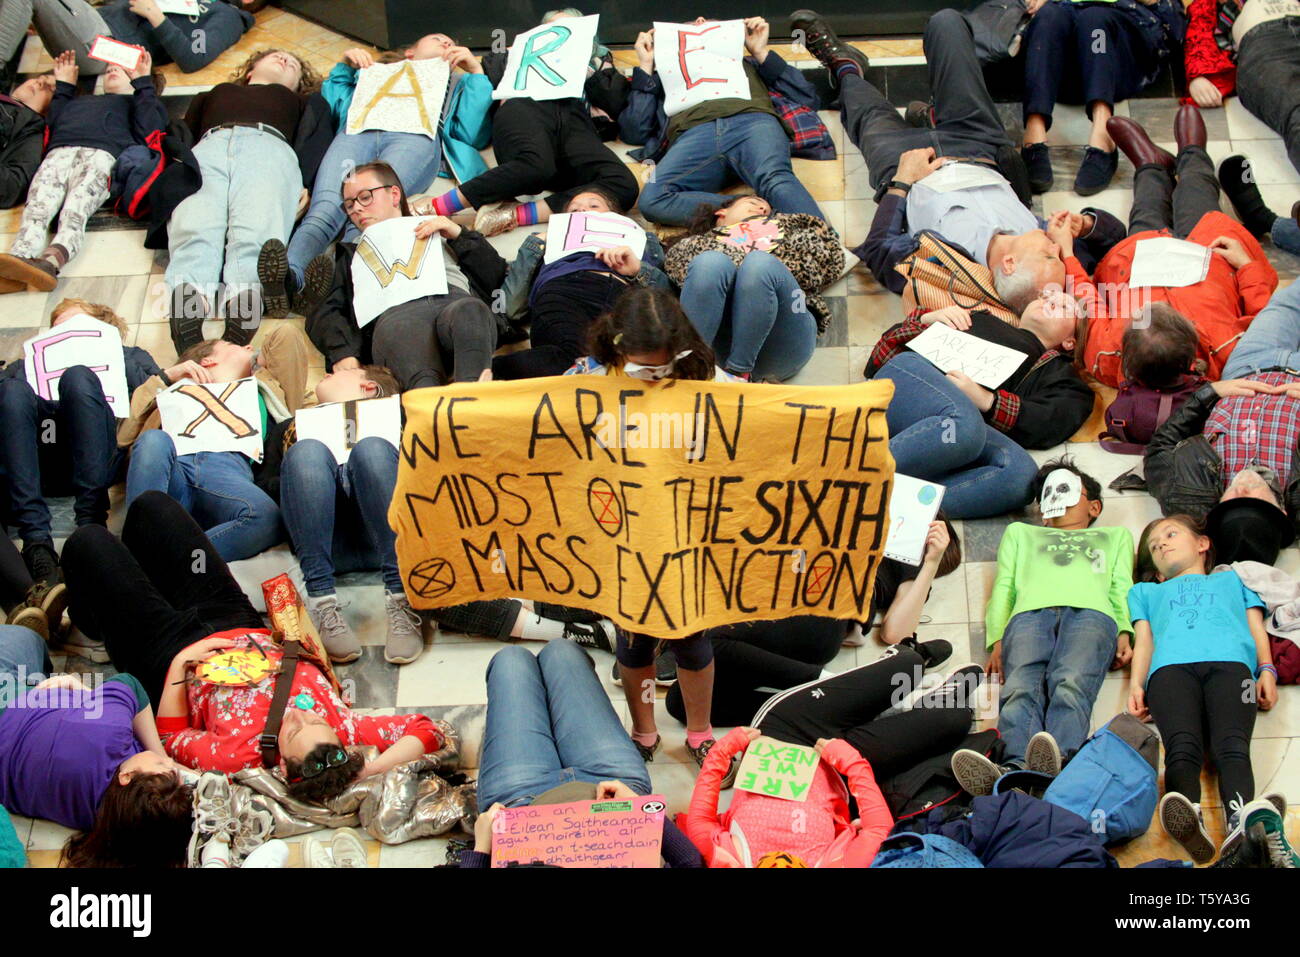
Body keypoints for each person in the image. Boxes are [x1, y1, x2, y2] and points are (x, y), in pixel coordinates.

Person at [61, 492, 446, 796]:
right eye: (315, 721)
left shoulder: (237, 756)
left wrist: (181, 664)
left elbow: (172, 738)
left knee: (88, 542)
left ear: (282, 765)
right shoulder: (345, 729)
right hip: (233, 619)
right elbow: (427, 730)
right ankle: (139, 582)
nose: (299, 717)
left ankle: (93, 624)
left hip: (167, 654)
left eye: (294, 733)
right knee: (151, 508)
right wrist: (367, 770)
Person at [795, 9, 1096, 316]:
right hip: (976, 142)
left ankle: (845, 65)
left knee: (863, 109)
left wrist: (901, 182)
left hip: (907, 166)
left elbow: (878, 251)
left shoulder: (949, 272)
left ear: (1009, 264)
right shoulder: (1044, 239)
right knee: (946, 22)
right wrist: (1085, 224)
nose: (1057, 250)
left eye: (1050, 257)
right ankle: (932, 117)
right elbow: (1112, 234)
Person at [262, 33, 493, 316]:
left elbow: (472, 132)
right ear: (410, 51)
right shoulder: (372, 72)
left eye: (451, 42)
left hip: (414, 137)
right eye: (438, 38)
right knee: (324, 209)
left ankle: (339, 295)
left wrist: (475, 72)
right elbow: (333, 105)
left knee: (366, 212)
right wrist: (346, 66)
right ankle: (289, 282)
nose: (447, 43)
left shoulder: (458, 82)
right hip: (355, 133)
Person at [683, 653, 983, 867]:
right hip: (838, 764)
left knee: (910, 664)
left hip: (784, 730)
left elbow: (699, 821)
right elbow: (877, 828)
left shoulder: (728, 860)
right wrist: (852, 764)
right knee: (953, 719)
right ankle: (903, 707)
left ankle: (887, 691)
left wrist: (722, 752)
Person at [665, 519, 962, 726]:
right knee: (682, 704)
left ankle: (836, 686)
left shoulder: (906, 554)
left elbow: (895, 631)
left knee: (708, 645)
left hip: (824, 609)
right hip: (775, 601)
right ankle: (832, 704)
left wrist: (931, 562)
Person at [951, 458, 1134, 792]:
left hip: (1092, 613)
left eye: (1068, 491)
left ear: (1093, 506)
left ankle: (1060, 763)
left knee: (1071, 682)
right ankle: (1014, 767)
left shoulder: (1114, 536)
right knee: (1020, 686)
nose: (1058, 502)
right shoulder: (1021, 534)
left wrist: (1124, 628)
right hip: (1028, 615)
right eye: (1049, 495)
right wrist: (997, 638)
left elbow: (1121, 584)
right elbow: (1004, 585)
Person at [1069, 107, 1279, 387]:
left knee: (1145, 207)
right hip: (1209, 251)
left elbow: (1088, 303)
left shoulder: (1106, 358)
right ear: (1193, 336)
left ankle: (1150, 165)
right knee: (1198, 190)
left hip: (1140, 257)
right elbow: (1265, 315)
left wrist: (1068, 254)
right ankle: (1193, 153)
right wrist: (1247, 266)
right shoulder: (1231, 352)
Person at [465, 639, 703, 868]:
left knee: (511, 661)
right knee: (562, 652)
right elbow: (690, 862)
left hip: (518, 809)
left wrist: (481, 852)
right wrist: (641, 807)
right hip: (614, 795)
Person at [1128, 514, 1277, 863]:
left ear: (1202, 544)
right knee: (1182, 747)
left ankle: (1240, 823)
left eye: (1170, 534)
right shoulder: (1146, 591)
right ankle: (1189, 816)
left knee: (1234, 748)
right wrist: (1136, 683)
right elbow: (1144, 640)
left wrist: (1266, 669)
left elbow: (1256, 627)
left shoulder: (1233, 581)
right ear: (1158, 571)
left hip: (1233, 669)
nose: (1161, 543)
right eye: (1153, 546)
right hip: (1168, 673)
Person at [863, 295, 1094, 518]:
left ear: (1070, 342)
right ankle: (855, 473)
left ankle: (888, 502)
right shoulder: (976, 318)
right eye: (1046, 297)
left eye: (1064, 306)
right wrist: (926, 320)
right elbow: (880, 358)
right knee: (963, 428)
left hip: (950, 436)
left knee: (1020, 476)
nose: (1050, 301)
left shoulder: (1061, 376)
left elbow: (1050, 420)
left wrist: (987, 401)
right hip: (908, 391)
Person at [164, 48, 333, 350]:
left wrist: (307, 181)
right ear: (251, 69)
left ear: (299, 84)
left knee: (256, 233)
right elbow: (183, 130)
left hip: (269, 148)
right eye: (277, 56)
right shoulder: (215, 92)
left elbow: (318, 139)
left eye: (294, 64)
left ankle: (239, 315)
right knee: (195, 226)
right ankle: (190, 309)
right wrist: (177, 163)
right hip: (208, 147)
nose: (285, 59)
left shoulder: (305, 102)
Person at [263, 363, 427, 665]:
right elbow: (268, 488)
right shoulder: (289, 428)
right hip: (326, 542)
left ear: (369, 388)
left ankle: (402, 598)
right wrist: (324, 474)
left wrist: (359, 471)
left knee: (372, 449)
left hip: (386, 539)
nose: (326, 374)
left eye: (338, 374)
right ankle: (322, 601)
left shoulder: (404, 417)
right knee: (307, 451)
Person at [427, 9, 639, 237]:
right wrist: (479, 68)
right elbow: (489, 93)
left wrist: (586, 66)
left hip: (572, 117)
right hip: (526, 107)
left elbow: (618, 105)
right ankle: (436, 206)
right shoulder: (510, 56)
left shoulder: (597, 64)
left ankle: (514, 215)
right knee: (537, 166)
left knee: (625, 184)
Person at [0, 299, 165, 591]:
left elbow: (151, 392)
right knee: (11, 390)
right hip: (40, 456)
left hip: (97, 453)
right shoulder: (24, 364)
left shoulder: (129, 355)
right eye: (58, 328)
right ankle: (37, 541)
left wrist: (111, 355)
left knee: (78, 376)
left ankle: (91, 524)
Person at [0, 625, 194, 867]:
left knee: (27, 638)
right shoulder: (110, 823)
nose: (168, 761)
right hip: (10, 766)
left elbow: (129, 683)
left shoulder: (110, 734)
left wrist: (83, 690)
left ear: (127, 776)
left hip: (11, 705)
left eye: (160, 765)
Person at [120, 324, 311, 563]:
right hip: (172, 466)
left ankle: (164, 566)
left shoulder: (266, 387)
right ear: (207, 361)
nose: (249, 346)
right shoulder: (172, 389)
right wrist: (169, 375)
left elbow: (286, 335)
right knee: (153, 440)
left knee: (266, 517)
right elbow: (124, 436)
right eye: (234, 345)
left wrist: (259, 358)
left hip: (228, 471)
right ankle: (138, 552)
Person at [306, 163, 501, 390]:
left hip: (453, 300)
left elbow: (495, 276)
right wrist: (343, 353)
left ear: (394, 194)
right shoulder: (349, 254)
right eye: (349, 205)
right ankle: (433, 409)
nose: (357, 208)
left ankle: (471, 399)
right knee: (408, 352)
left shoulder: (439, 229)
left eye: (365, 197)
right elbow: (324, 310)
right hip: (396, 317)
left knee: (471, 311)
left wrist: (458, 234)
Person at [624, 15, 829, 227]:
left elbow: (807, 98)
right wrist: (646, 65)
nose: (700, 20)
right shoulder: (663, 77)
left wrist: (760, 52)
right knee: (652, 199)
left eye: (709, 21)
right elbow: (634, 130)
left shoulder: (749, 64)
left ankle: (824, 246)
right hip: (694, 135)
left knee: (775, 179)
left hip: (753, 122)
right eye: (689, 24)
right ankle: (759, 215)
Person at [1144, 279, 1300, 553]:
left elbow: (1159, 447)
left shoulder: (1189, 497)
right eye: (1254, 500)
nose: (1242, 490)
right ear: (1282, 513)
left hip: (1249, 365)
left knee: (1288, 301)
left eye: (1231, 502)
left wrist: (1210, 393)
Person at [0, 50, 165, 291]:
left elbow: (150, 130)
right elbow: (53, 123)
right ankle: (18, 259)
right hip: (58, 153)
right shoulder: (80, 101)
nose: (112, 67)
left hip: (100, 157)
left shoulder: (139, 103)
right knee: (37, 207)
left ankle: (50, 264)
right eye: (109, 66)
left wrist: (143, 85)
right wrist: (65, 87)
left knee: (74, 212)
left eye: (121, 66)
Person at [492, 188, 672, 380]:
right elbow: (509, 308)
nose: (584, 211)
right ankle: (481, 372)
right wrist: (535, 244)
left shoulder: (643, 240)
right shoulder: (544, 243)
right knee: (573, 359)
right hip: (564, 291)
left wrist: (637, 269)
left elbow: (669, 301)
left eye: (594, 206)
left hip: (625, 297)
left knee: (642, 362)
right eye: (574, 211)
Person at [664, 195, 845, 381]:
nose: (762, 210)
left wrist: (768, 240)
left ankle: (739, 372)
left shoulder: (793, 227)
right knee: (710, 263)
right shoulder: (692, 244)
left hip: (784, 338)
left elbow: (827, 265)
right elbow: (682, 272)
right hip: (717, 347)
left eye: (767, 210)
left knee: (758, 264)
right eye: (753, 203)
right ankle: (689, 366)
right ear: (722, 212)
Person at [1018, 0, 1187, 194]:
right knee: (1048, 17)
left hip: (1118, 50)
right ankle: (1034, 132)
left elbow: (1171, 20)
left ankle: (1103, 131)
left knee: (1094, 20)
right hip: (1063, 57)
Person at [1182, 0, 1300, 176]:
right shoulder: (1210, 5)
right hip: (1265, 47)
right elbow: (1198, 35)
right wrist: (1197, 75)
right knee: (1296, 113)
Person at [8, 0, 255, 75]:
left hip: (113, 48)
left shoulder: (225, 15)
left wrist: (154, 15)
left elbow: (193, 57)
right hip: (96, 27)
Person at [0, 74, 54, 212]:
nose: (39, 82)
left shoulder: (30, 129)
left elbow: (12, 186)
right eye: (41, 77)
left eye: (50, 88)